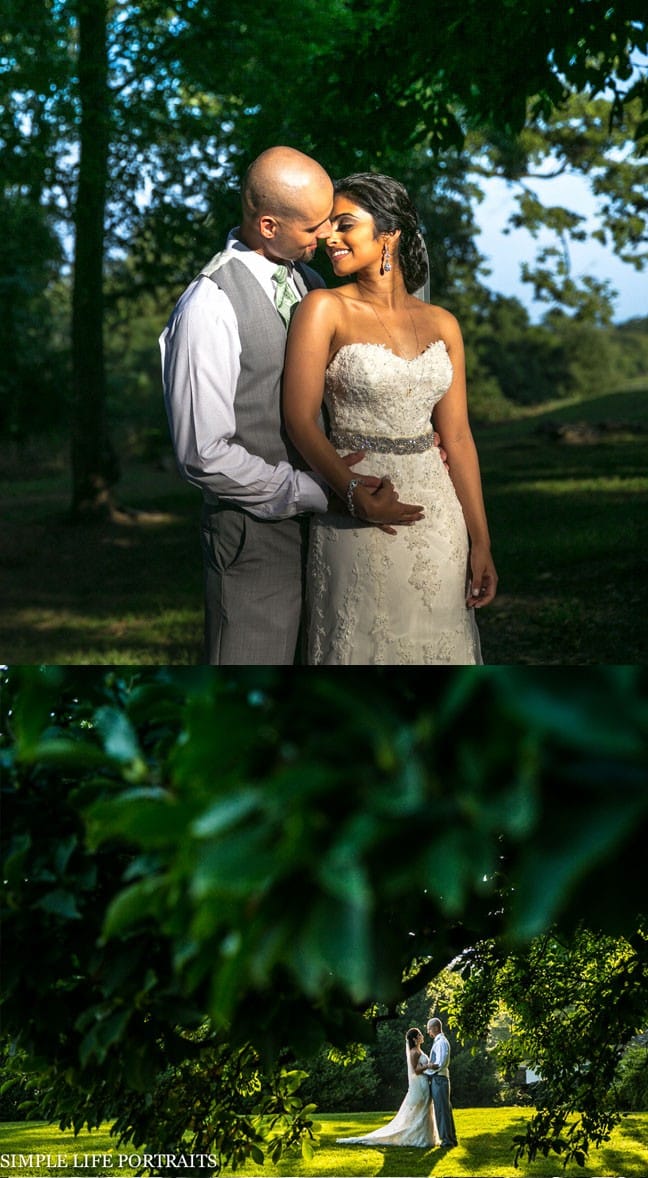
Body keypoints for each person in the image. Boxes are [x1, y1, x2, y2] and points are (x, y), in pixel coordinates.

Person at [160, 147, 422, 665]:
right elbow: (202, 453)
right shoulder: (207, 305)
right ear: (268, 224)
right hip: (254, 536)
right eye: (314, 227)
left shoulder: (311, 284)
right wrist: (313, 490)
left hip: (330, 534)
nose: (326, 236)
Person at [283, 172, 498, 665]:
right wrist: (352, 492)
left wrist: (481, 540)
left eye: (344, 224)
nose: (327, 237)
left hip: (439, 518)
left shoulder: (443, 323)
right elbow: (299, 419)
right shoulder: (323, 308)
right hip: (355, 511)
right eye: (323, 227)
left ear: (389, 234)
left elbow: (459, 437)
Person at [336, 1028, 440, 1148]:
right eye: (420, 1034)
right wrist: (428, 1066)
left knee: (426, 1109)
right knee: (422, 1110)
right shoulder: (413, 1052)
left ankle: (427, 1137)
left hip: (425, 1081)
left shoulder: (419, 1050)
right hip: (421, 1082)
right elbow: (415, 1070)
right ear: (415, 1039)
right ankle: (420, 1138)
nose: (423, 1036)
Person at [424, 1017, 458, 1148]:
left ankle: (447, 1140)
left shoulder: (441, 1042)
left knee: (441, 1111)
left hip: (439, 1079)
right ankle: (451, 1139)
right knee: (444, 1110)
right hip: (439, 1078)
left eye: (429, 1029)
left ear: (436, 1028)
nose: (428, 1032)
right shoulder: (438, 1042)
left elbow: (441, 1062)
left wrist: (429, 1068)